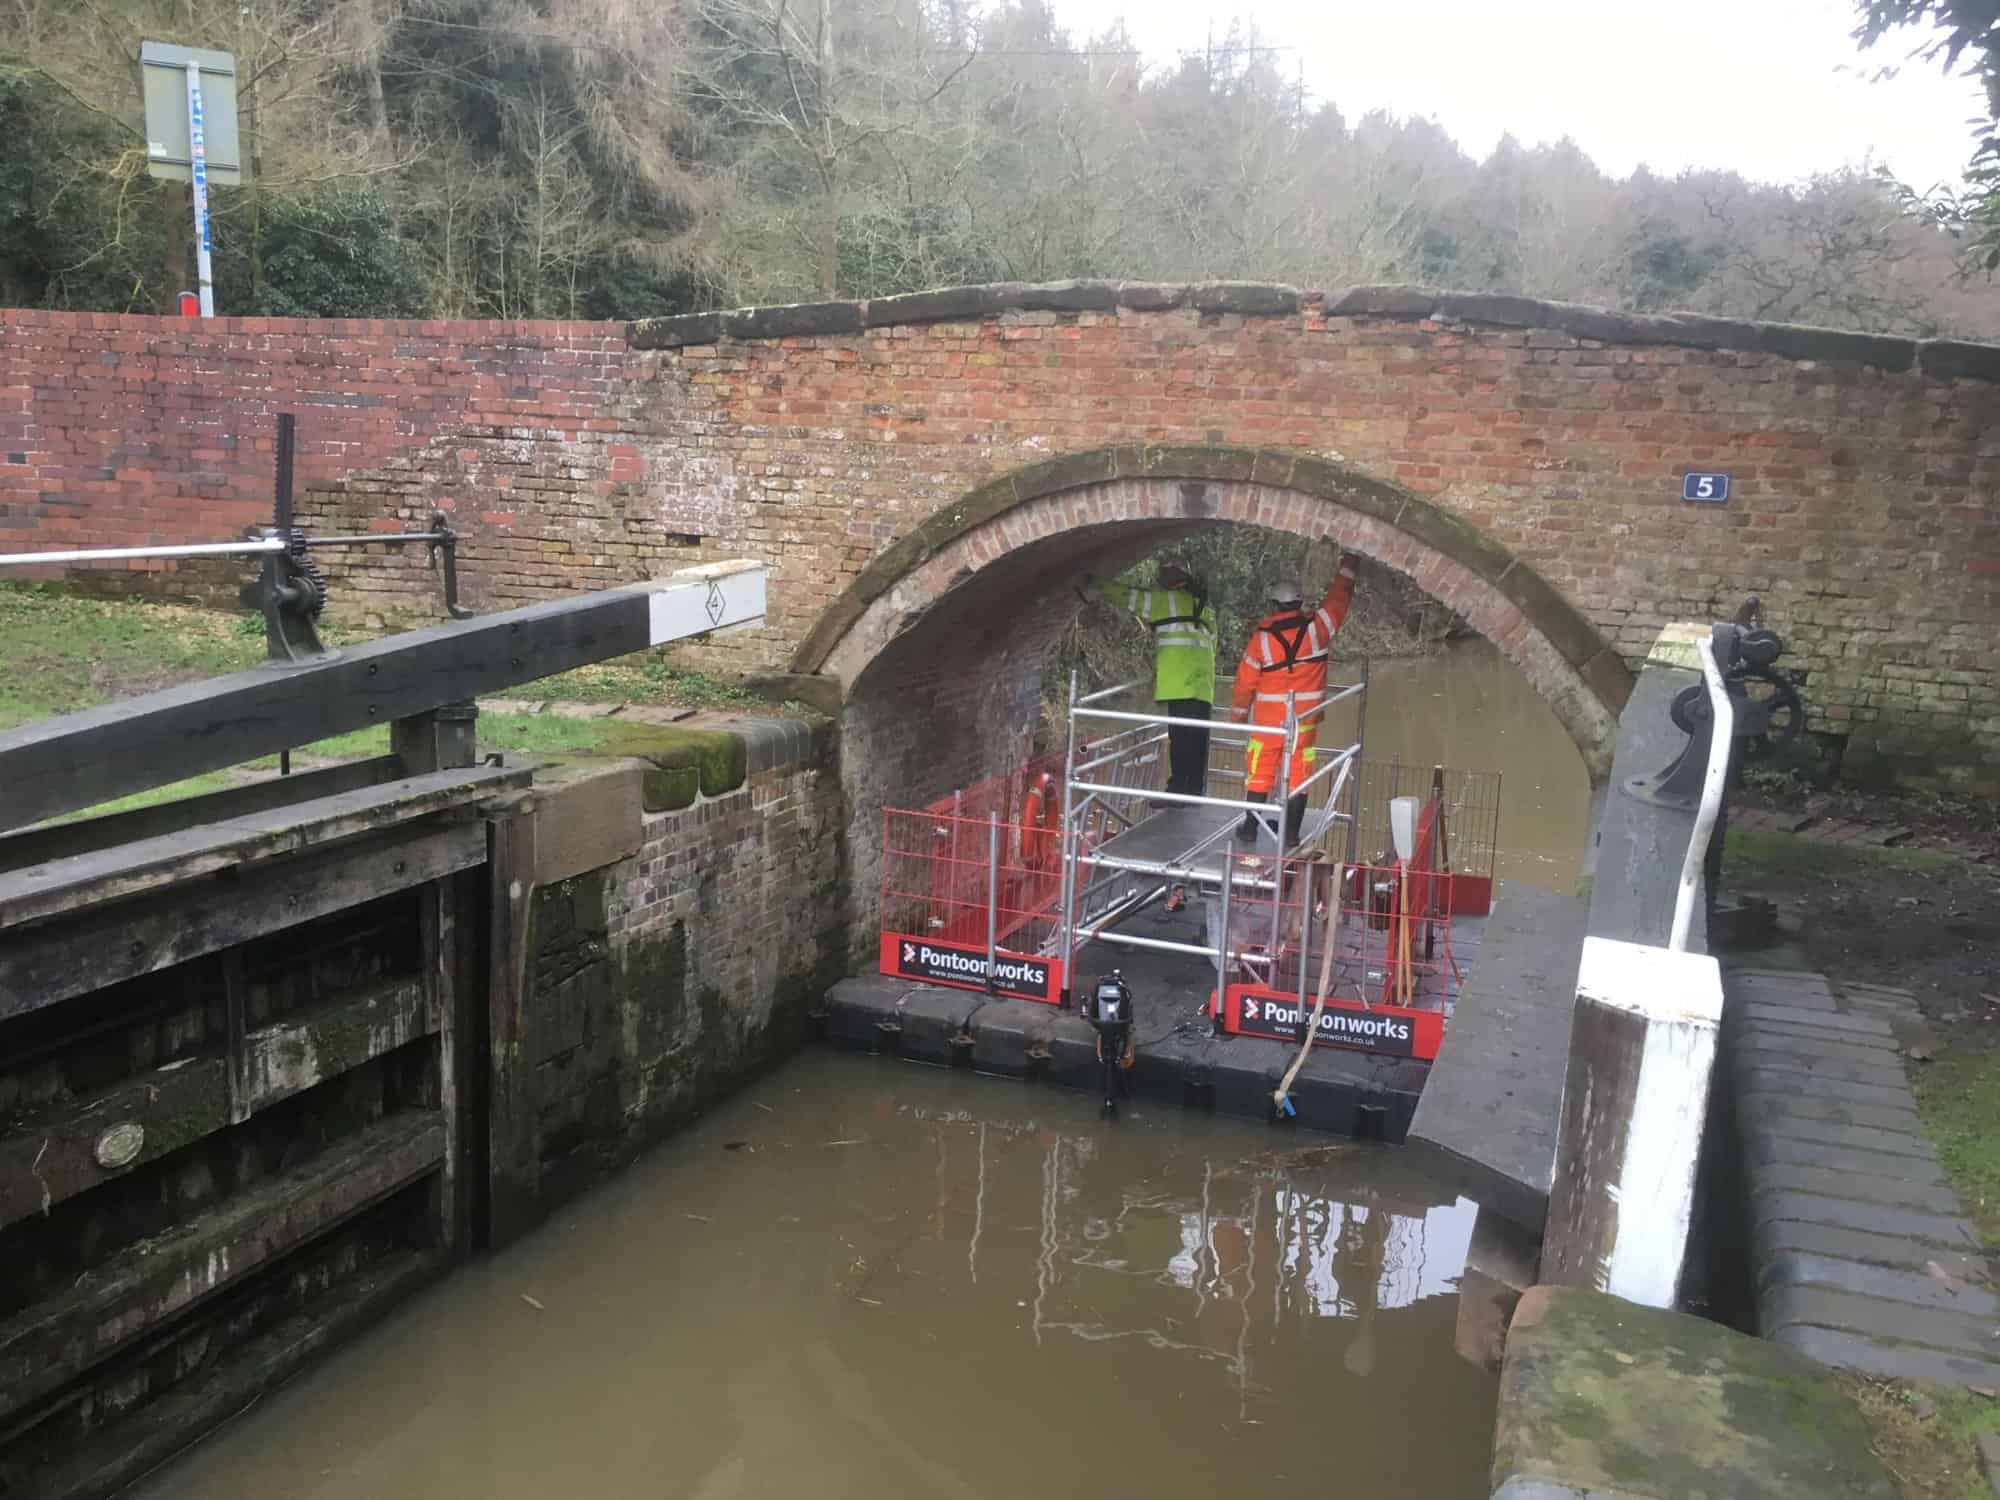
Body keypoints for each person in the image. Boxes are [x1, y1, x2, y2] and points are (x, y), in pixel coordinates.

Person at [1229, 554, 1358, 847]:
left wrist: (1237, 714)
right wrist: (1348, 568)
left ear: (1274, 605)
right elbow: (1338, 601)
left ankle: (1250, 828)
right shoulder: (1317, 630)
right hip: (1304, 721)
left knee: (1259, 773)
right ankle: (1290, 834)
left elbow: (1245, 681)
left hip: (1267, 722)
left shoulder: (1261, 638)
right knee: (1299, 775)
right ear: (1299, 603)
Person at [1088, 559, 1218, 799]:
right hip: (1203, 685)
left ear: (1167, 583)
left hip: (1179, 683)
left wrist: (1095, 582)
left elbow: (1128, 596)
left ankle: (1177, 791)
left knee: (1180, 738)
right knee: (1198, 738)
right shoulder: (1204, 606)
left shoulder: (1164, 602)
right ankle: (1194, 791)